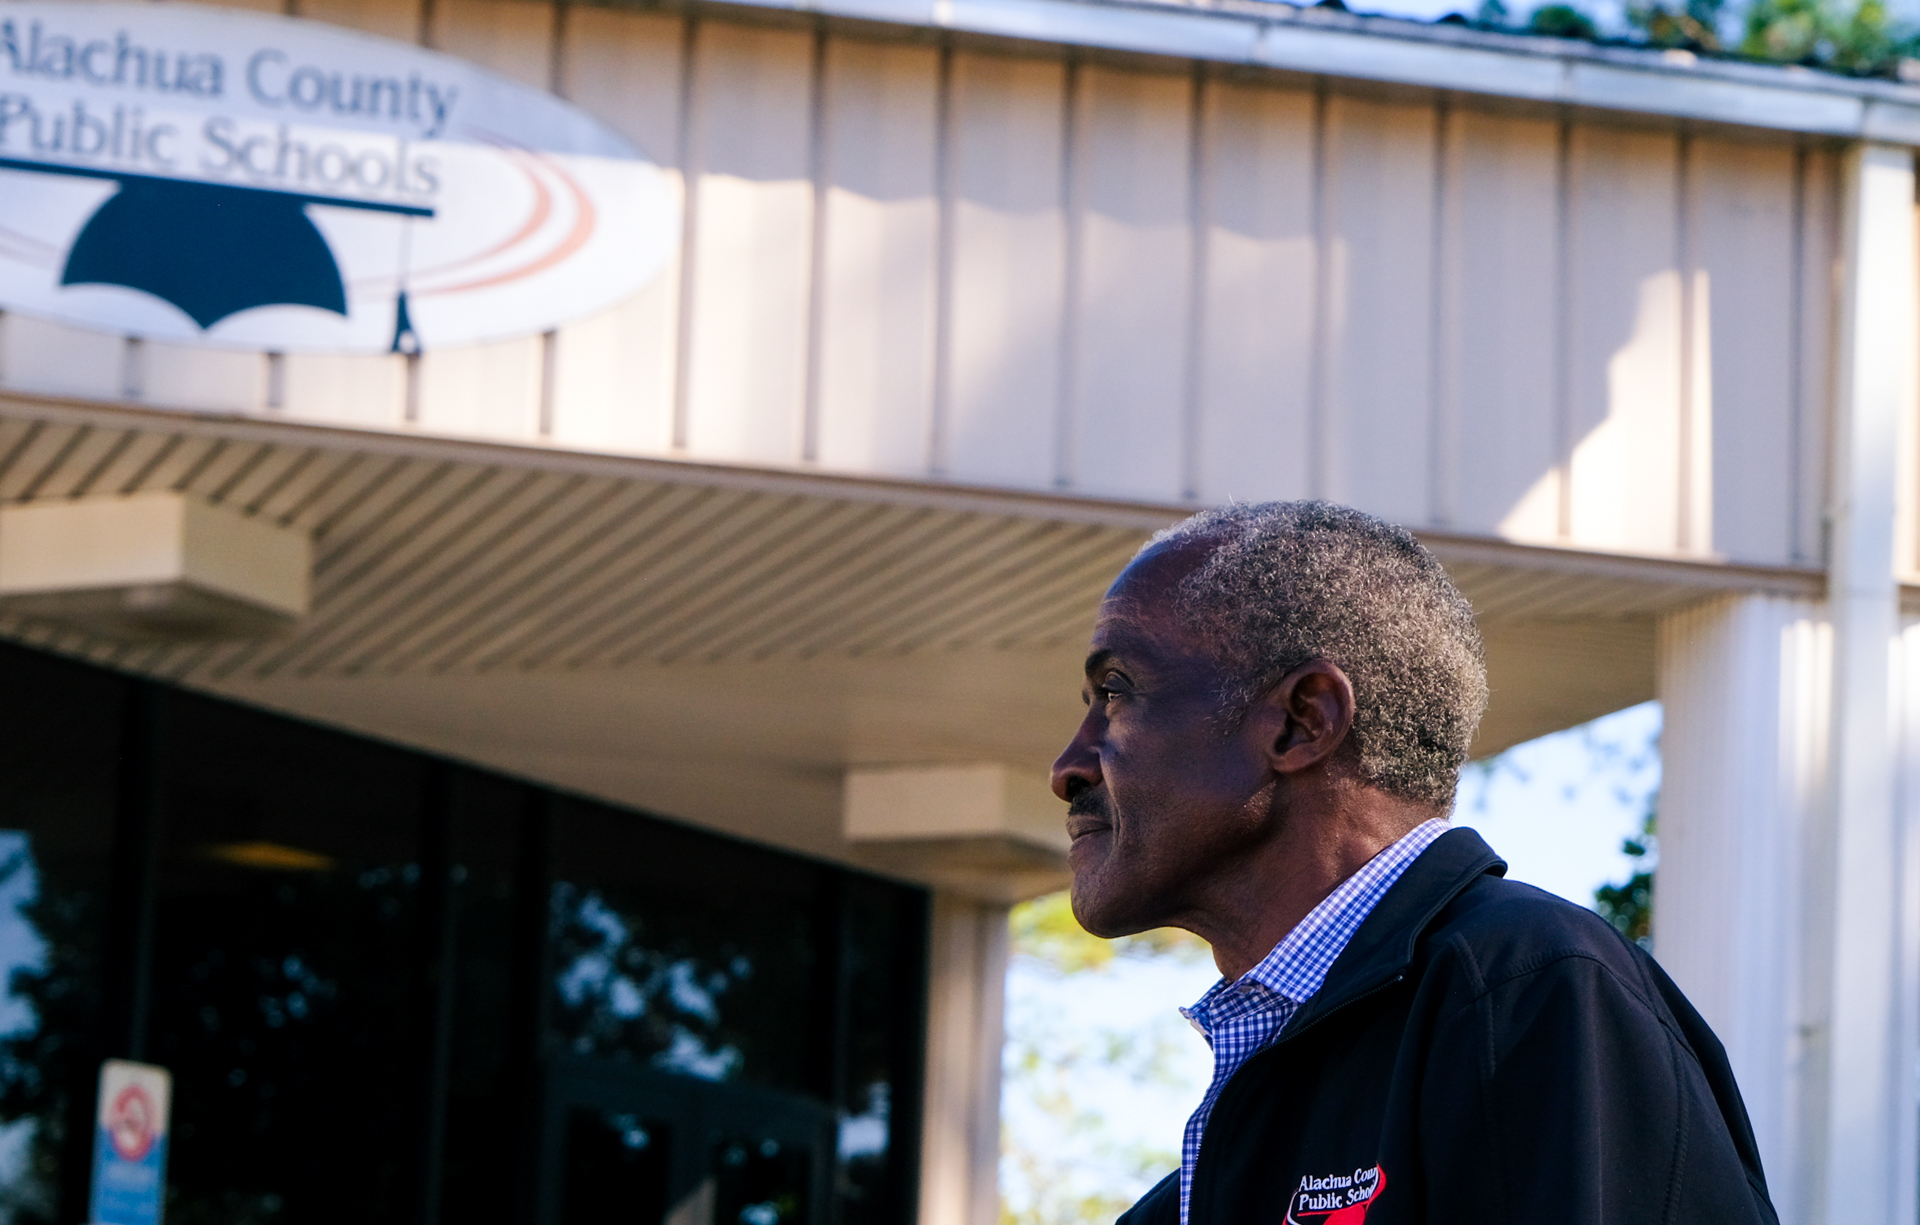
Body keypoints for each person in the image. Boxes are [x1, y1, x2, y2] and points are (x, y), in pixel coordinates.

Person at [1049, 501, 1776, 1225]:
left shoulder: (1528, 990)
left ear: (1304, 719)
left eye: (1115, 693)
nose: (1067, 766)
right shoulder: (1216, 1162)